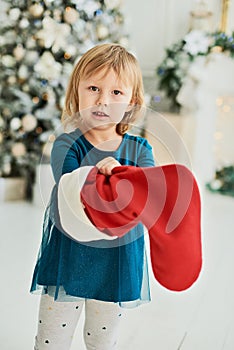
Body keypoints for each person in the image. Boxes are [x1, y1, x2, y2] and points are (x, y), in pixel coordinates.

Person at [30, 43, 155, 350]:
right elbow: (72, 185)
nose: (102, 100)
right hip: (69, 254)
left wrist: (121, 172)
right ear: (77, 92)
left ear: (131, 102)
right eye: (94, 88)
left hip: (116, 258)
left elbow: (147, 193)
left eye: (116, 93)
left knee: (101, 339)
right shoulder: (67, 145)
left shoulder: (140, 150)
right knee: (52, 339)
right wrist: (108, 176)